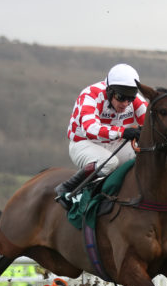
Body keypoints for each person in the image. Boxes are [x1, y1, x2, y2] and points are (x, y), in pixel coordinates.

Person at [55, 63, 148, 209]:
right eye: (120, 97)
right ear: (109, 90)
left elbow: (151, 125)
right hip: (84, 143)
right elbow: (90, 129)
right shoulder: (90, 95)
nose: (125, 103)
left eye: (130, 99)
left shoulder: (135, 101)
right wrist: (123, 132)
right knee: (109, 162)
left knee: (144, 156)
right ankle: (68, 188)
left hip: (113, 144)